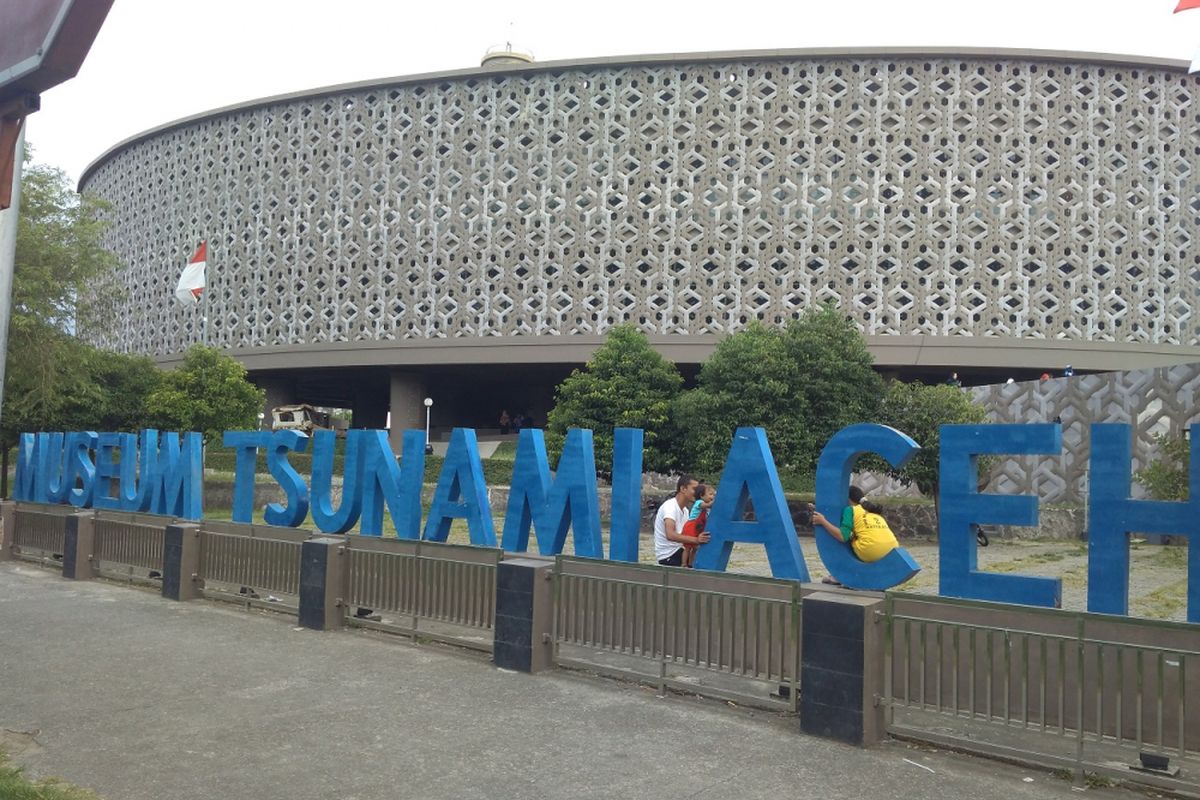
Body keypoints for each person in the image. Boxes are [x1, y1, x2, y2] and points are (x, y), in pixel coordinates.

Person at [812, 485, 900, 568]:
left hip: (870, 551)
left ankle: (842, 575)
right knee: (855, 534)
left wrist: (823, 521)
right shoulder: (873, 510)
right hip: (892, 550)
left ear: (847, 499)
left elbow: (842, 536)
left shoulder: (850, 509)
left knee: (848, 538)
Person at [653, 475, 709, 567]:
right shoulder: (670, 507)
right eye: (694, 489)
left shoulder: (685, 511)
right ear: (683, 489)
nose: (698, 493)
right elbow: (670, 535)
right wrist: (696, 540)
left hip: (680, 551)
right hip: (669, 555)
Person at [680, 482, 715, 568]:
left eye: (713, 494)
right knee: (688, 547)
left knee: (695, 548)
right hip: (691, 526)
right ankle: (683, 563)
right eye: (710, 494)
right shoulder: (699, 502)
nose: (712, 496)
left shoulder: (705, 506)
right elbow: (708, 505)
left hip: (696, 527)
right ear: (701, 496)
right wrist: (716, 500)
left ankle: (691, 564)